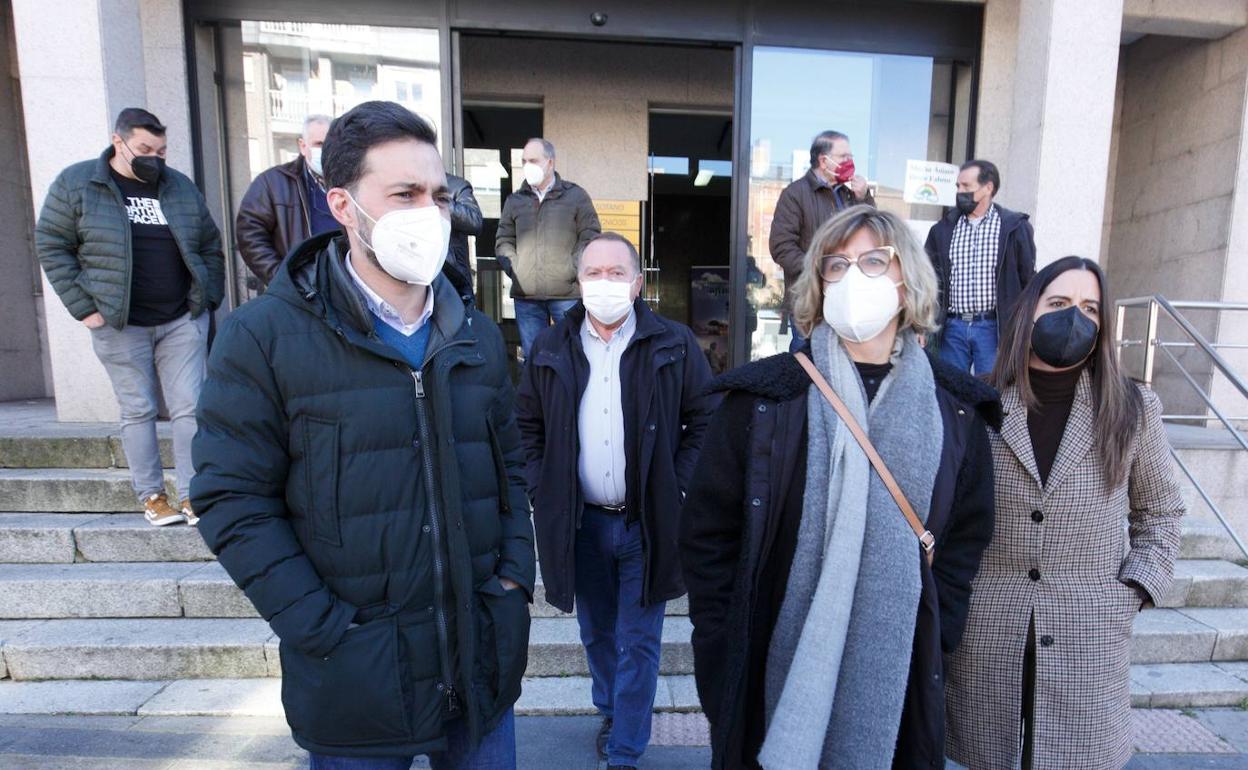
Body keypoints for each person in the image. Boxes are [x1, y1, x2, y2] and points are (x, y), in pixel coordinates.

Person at [191, 101, 534, 769]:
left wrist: (513, 582)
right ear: (344, 205)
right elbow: (233, 500)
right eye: (404, 194)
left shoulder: (478, 336)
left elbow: (510, 467)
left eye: (439, 194)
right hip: (356, 681)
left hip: (480, 669)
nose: (428, 213)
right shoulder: (263, 337)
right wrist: (323, 628)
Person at [681, 205, 998, 770]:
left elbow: (966, 539)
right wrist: (721, 649)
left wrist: (936, 633)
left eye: (875, 261)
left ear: (908, 282)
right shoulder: (761, 400)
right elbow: (709, 536)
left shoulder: (956, 411)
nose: (854, 277)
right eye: (837, 265)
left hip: (900, 672)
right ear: (818, 284)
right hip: (769, 667)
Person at [945, 256, 1185, 770]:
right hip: (989, 624)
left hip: (1089, 626)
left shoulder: (1132, 406)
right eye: (1058, 304)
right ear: (1028, 311)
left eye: (1089, 308)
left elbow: (1161, 512)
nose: (1073, 317)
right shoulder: (977, 400)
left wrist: (1133, 591)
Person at [516, 232, 715, 769]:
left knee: (640, 639)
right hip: (578, 523)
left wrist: (677, 483)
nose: (603, 282)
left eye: (615, 272)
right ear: (578, 282)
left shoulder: (672, 343)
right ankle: (611, 709)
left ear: (637, 281)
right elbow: (527, 426)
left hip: (645, 521)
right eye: (592, 273)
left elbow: (706, 418)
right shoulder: (550, 345)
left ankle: (625, 749)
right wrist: (542, 487)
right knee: (597, 631)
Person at [35, 107, 224, 528]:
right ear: (118, 142)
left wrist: (207, 299)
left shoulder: (178, 187)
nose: (153, 158)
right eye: (144, 149)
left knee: (191, 408)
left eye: (160, 151)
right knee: (138, 410)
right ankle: (153, 496)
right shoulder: (78, 183)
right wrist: (83, 306)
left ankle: (195, 495)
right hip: (120, 323)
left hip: (181, 318)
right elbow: (51, 243)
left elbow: (210, 244)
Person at [924, 159, 1036, 374]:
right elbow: (929, 279)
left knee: (992, 392)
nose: (960, 192)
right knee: (952, 392)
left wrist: (1025, 327)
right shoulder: (943, 230)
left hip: (994, 328)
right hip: (953, 328)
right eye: (958, 186)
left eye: (967, 186)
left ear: (988, 188)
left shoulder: (1014, 227)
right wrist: (923, 323)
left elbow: (1027, 279)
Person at [768, 130, 875, 352]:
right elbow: (781, 247)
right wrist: (820, 269)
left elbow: (873, 233)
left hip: (846, 298)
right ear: (823, 160)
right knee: (806, 363)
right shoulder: (795, 194)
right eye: (844, 156)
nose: (850, 161)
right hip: (809, 300)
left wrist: (864, 197)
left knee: (843, 361)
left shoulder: (848, 194)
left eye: (851, 156)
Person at [495, 137, 601, 358]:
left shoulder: (575, 196)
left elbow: (590, 236)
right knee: (534, 360)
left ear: (550, 163)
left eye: (533, 160)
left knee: (574, 356)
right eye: (524, 161)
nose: (527, 166)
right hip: (527, 296)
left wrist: (572, 269)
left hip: (567, 294)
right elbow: (503, 240)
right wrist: (516, 269)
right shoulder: (515, 200)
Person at [236, 114, 340, 287]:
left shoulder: (350, 182)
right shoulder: (272, 182)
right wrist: (284, 279)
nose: (325, 150)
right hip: (301, 291)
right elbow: (250, 235)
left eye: (330, 144)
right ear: (302, 146)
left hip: (344, 286)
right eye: (318, 144)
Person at [441, 172, 484, 305]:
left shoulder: (456, 186)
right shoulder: (402, 187)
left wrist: (439, 202)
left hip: (452, 275)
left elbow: (475, 222)